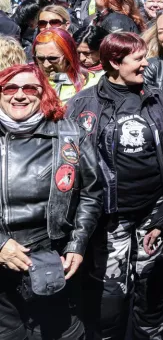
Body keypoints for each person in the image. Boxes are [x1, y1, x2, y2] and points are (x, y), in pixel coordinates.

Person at [68, 32, 163, 340]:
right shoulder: (83, 104)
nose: (146, 63)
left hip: (153, 213)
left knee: (152, 285)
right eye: (139, 58)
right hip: (109, 217)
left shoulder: (157, 98)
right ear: (115, 62)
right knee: (111, 296)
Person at [0, 64, 102, 340]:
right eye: (10, 88)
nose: (19, 95)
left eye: (29, 88)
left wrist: (77, 244)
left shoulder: (69, 134)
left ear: (43, 93)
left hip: (52, 264)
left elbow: (92, 192)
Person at [34, 26, 101, 103]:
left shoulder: (91, 84)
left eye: (53, 58)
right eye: (40, 58)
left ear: (68, 56)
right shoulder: (28, 81)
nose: (46, 65)